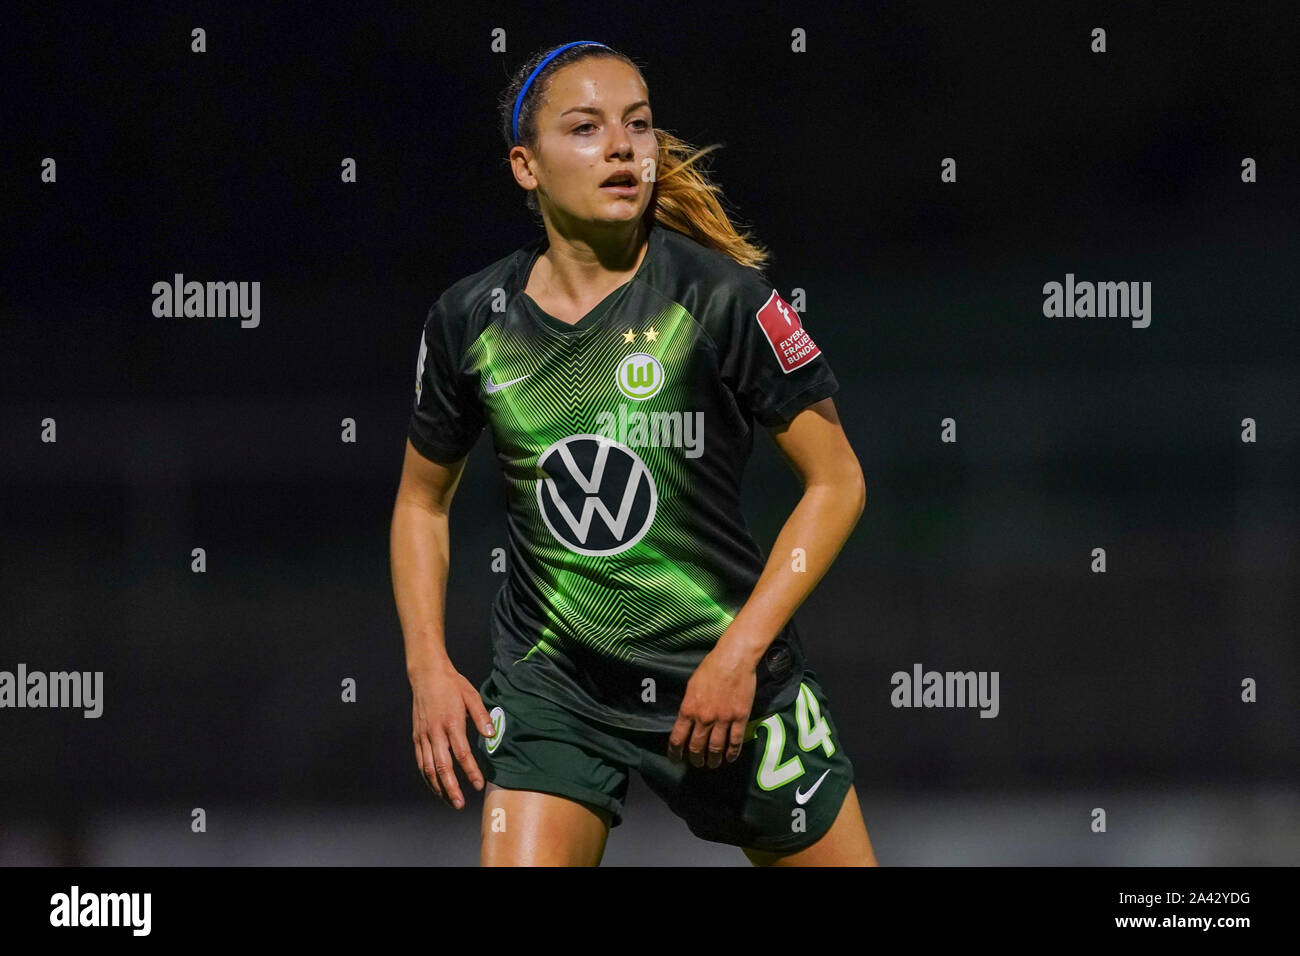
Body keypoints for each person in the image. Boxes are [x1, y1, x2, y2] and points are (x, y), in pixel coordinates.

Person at [390, 40, 878, 866]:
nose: (623, 147)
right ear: (526, 167)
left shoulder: (723, 300)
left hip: (720, 683)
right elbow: (419, 503)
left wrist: (738, 655)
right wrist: (428, 667)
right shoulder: (471, 319)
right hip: (555, 687)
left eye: (640, 125)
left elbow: (839, 483)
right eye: (585, 128)